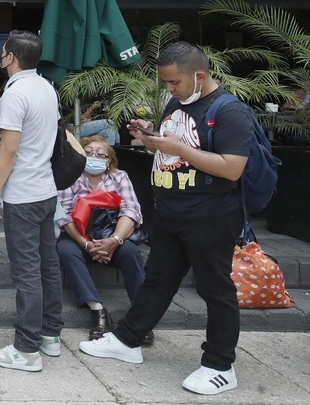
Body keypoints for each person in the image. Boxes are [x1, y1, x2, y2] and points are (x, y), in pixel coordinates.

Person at [80, 42, 254, 396]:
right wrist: (150, 139)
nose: (169, 90)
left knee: (215, 289)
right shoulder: (179, 103)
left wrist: (179, 149)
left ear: (199, 76)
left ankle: (220, 364)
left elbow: (232, 168)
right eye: (166, 84)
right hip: (172, 214)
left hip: (212, 216)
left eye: (174, 83)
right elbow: (174, 150)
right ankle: (127, 340)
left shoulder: (230, 112)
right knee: (157, 280)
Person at [0, 30, 63, 372]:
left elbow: (9, 148)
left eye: (2, 54)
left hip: (24, 194)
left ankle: (27, 349)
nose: (0, 59)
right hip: (46, 190)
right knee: (48, 266)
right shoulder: (46, 86)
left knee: (27, 272)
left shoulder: (14, 94)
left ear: (11, 57)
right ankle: (50, 335)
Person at [57, 136, 147, 342]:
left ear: (109, 161)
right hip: (78, 237)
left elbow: (131, 212)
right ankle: (98, 311)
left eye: (100, 154)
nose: (93, 157)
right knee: (66, 251)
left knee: (131, 252)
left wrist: (114, 241)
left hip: (112, 236)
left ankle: (142, 317)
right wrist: (86, 244)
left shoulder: (120, 177)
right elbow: (63, 214)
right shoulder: (69, 177)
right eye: (88, 152)